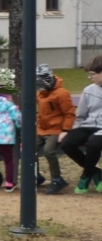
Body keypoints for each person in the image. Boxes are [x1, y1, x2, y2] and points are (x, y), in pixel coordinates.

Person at [62, 57, 102, 191]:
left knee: (94, 142)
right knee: (67, 143)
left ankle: (85, 176)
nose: (89, 78)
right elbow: (81, 114)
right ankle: (95, 172)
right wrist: (72, 131)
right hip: (88, 125)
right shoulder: (89, 90)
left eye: (92, 74)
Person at [36, 65, 74, 194]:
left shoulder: (62, 94)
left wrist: (65, 130)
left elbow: (69, 113)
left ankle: (57, 179)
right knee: (29, 149)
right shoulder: (41, 93)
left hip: (56, 129)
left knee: (49, 151)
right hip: (42, 128)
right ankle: (36, 176)